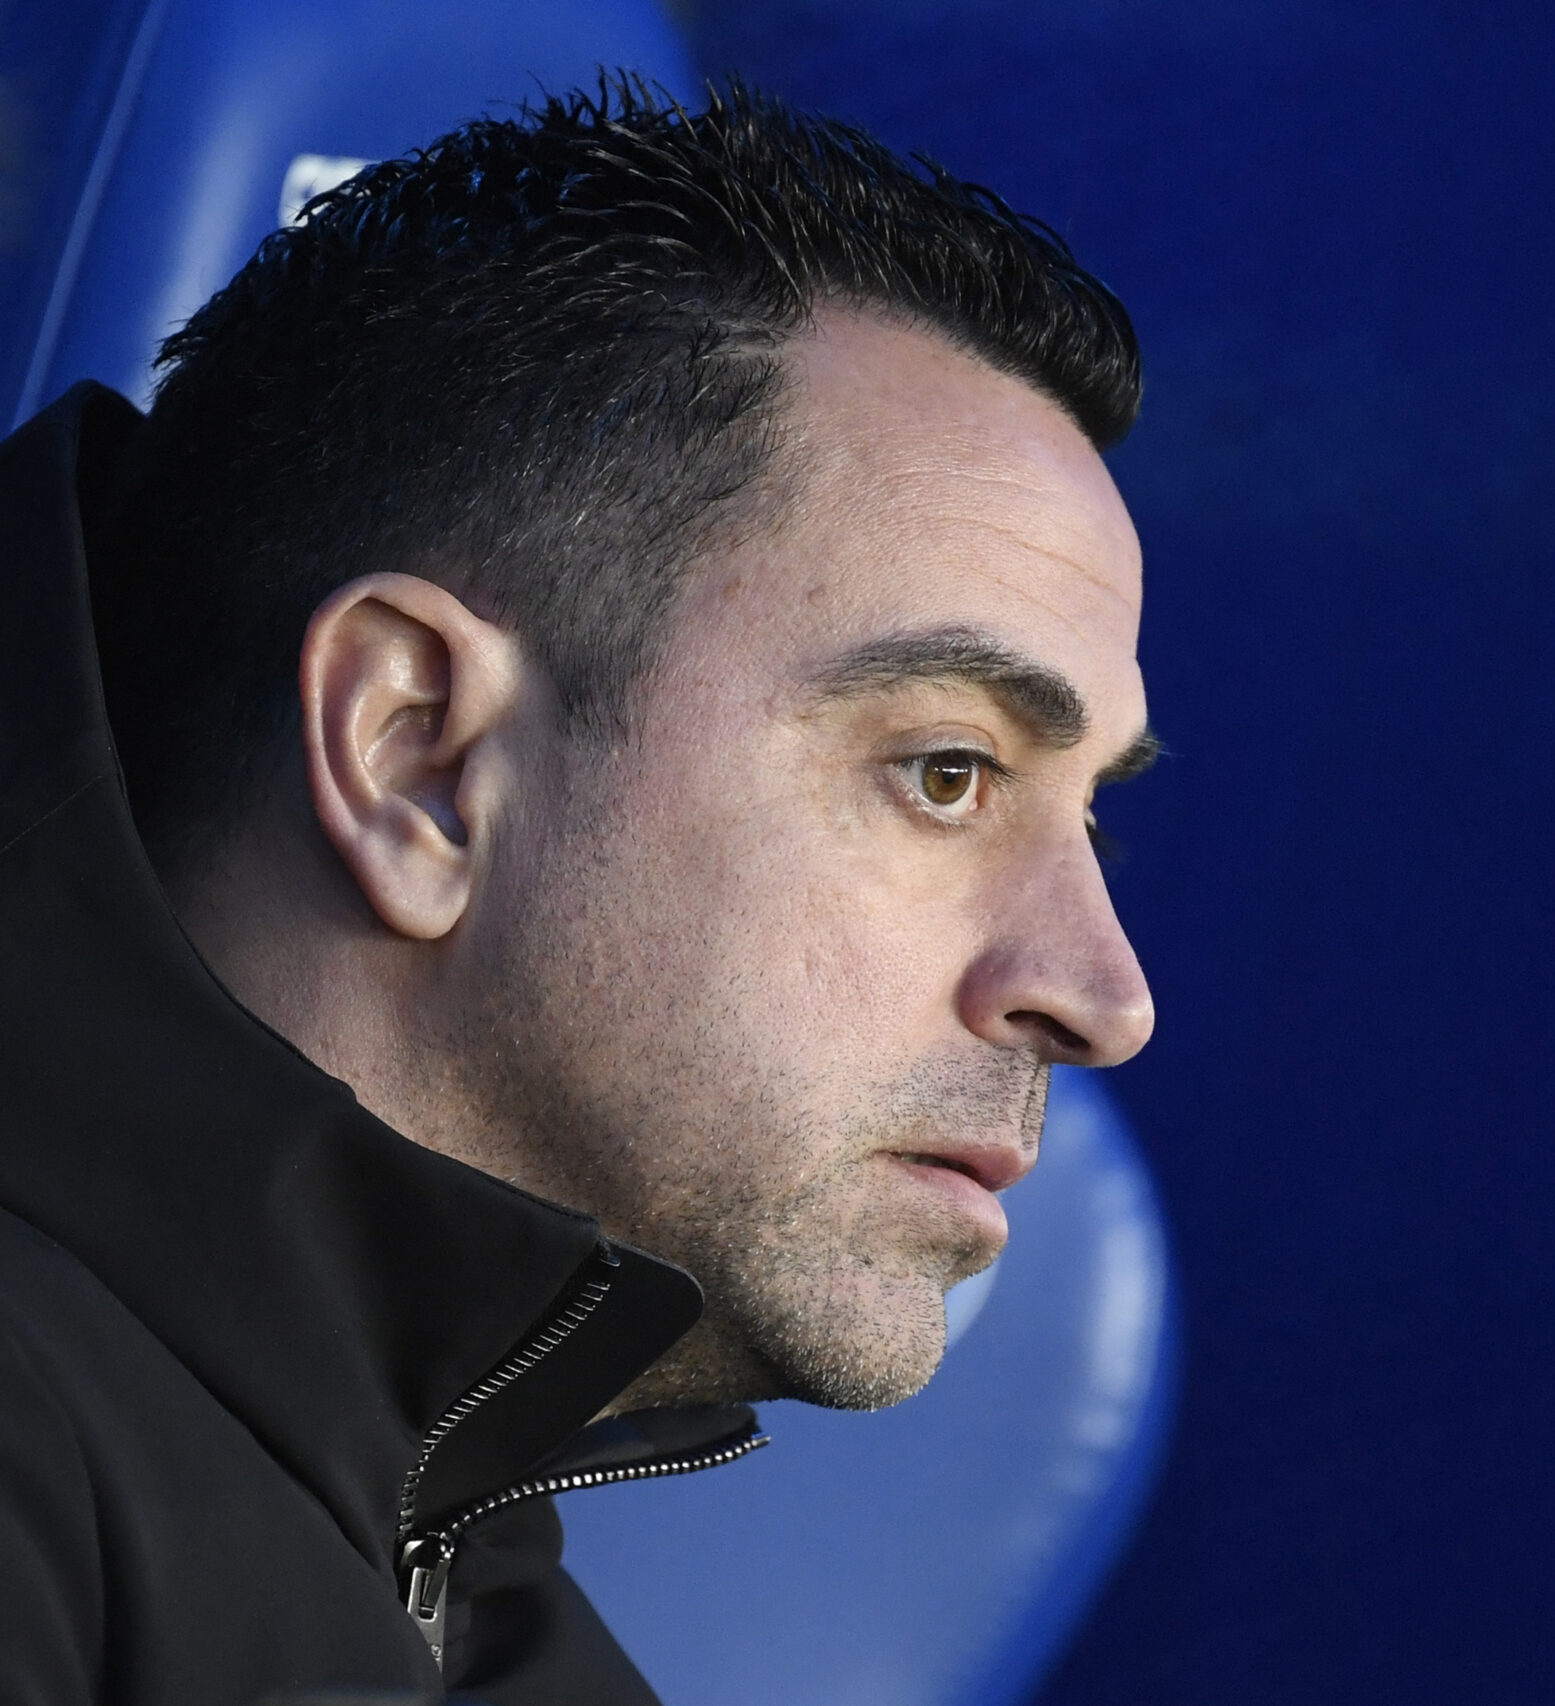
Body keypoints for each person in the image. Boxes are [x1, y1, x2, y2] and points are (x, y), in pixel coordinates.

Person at [0, 78, 1157, 1704]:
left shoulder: (455, 1572)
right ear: (416, 756)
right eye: (947, 771)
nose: (1106, 996)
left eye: (1094, 816)